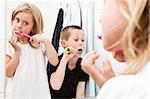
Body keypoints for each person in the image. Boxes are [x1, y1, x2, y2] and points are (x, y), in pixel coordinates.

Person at [81, 0, 150, 99]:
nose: (100, 19)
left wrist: (114, 90)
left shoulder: (133, 88)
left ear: (131, 5)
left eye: (105, 4)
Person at [5, 2, 58, 99]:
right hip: (17, 94)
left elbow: (54, 62)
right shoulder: (9, 45)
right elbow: (8, 73)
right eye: (17, 20)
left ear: (33, 28)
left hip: (39, 94)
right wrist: (17, 51)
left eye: (26, 23)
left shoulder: (40, 45)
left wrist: (46, 41)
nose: (19, 25)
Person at [47, 25, 89, 99]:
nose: (81, 43)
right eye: (76, 40)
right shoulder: (55, 61)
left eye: (82, 40)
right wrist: (65, 59)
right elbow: (55, 86)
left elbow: (80, 95)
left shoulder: (83, 65)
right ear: (63, 44)